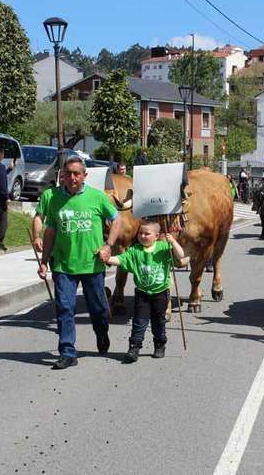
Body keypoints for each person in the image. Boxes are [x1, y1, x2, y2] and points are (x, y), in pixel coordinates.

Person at [38, 156, 122, 370]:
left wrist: (108, 246)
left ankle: (101, 333)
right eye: (68, 173)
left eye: (77, 173)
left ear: (85, 176)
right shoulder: (54, 198)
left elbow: (117, 219)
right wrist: (44, 261)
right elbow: (50, 231)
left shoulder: (97, 197)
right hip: (63, 266)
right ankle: (67, 352)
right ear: (63, 176)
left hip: (92, 265)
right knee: (64, 307)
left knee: (99, 309)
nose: (72, 177)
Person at [107, 220, 184, 362]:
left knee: (158, 321)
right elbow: (121, 260)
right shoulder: (135, 250)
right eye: (140, 233)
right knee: (139, 321)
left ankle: (160, 344)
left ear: (156, 236)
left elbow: (180, 255)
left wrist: (173, 242)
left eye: (146, 234)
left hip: (161, 292)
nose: (142, 236)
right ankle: (134, 347)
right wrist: (107, 258)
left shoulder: (163, 247)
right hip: (142, 292)